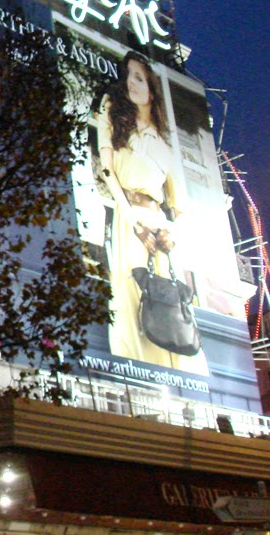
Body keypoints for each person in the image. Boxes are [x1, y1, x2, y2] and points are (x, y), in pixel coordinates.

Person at [95, 51, 207, 373]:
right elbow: (108, 173)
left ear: (152, 89)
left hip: (160, 230)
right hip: (128, 219)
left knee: (166, 300)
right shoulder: (113, 114)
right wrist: (133, 222)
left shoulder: (164, 143)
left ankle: (177, 371)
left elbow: (181, 206)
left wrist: (170, 234)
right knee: (130, 295)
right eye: (128, 75)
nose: (131, 82)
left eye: (139, 77)